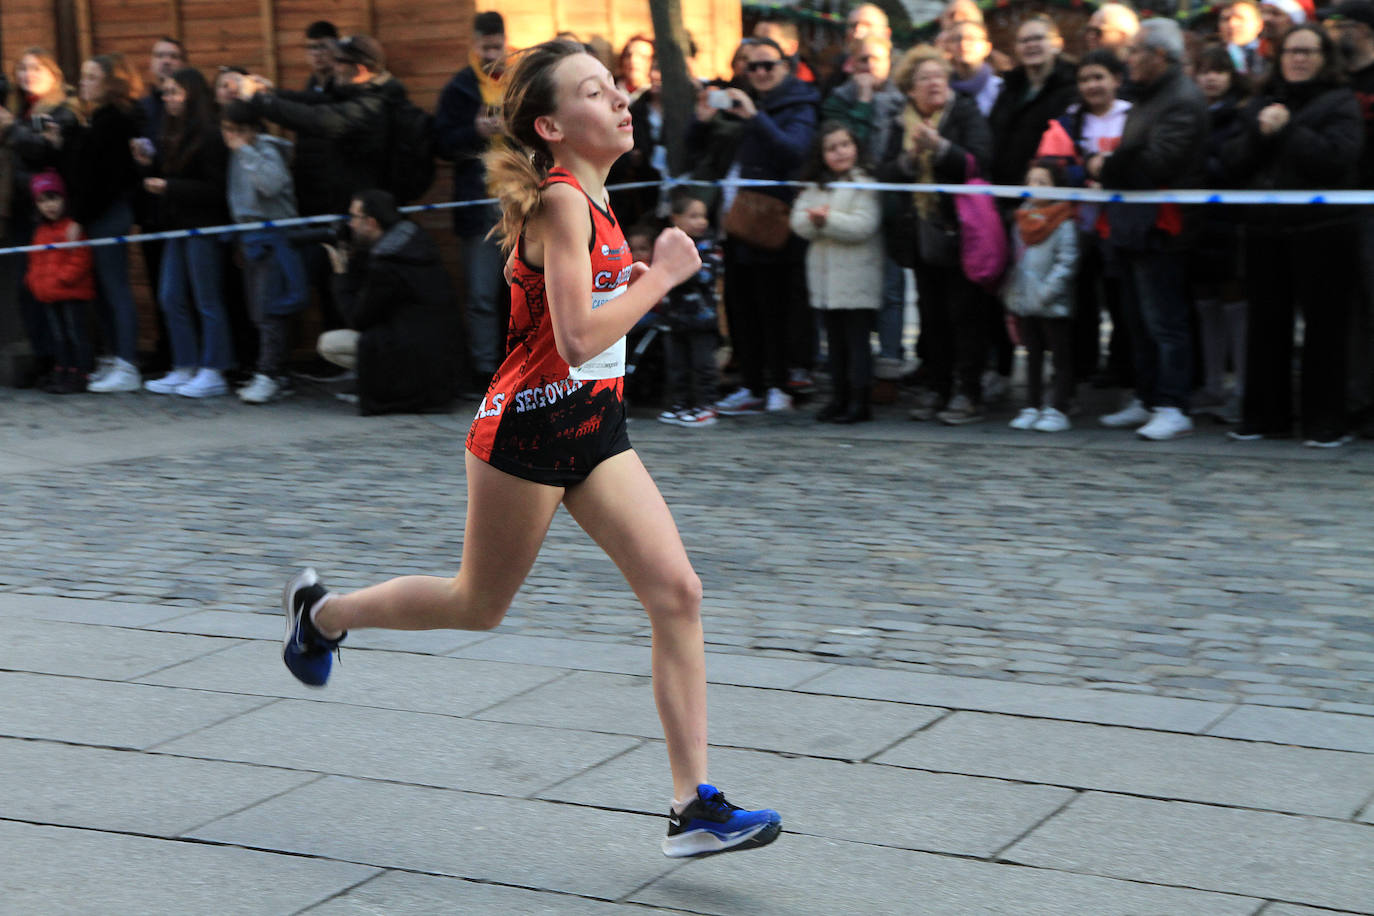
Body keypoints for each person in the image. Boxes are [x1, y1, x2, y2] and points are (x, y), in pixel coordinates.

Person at [279, 40, 782, 859]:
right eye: (596, 91)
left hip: (595, 428)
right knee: (476, 605)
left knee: (678, 594)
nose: (620, 99)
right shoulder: (562, 205)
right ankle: (322, 615)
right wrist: (661, 278)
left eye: (617, 86)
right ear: (551, 125)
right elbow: (579, 337)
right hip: (527, 432)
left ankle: (693, 806)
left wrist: (646, 273)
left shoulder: (597, 196)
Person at [1222, 24, 1362, 446]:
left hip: (1323, 231)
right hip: (1267, 228)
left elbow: (1336, 160)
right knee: (1265, 325)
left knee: (1324, 331)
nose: (1298, 59)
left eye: (1308, 52)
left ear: (1325, 58)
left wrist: (1288, 130)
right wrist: (1260, 133)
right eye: (1291, 52)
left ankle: (1324, 422)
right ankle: (1265, 417)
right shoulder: (1262, 101)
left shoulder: (1340, 102)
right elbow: (1231, 161)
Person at [1089, 19, 1208, 441]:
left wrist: (1107, 164)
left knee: (1165, 320)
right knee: (1137, 319)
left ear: (1160, 55)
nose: (1129, 59)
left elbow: (1156, 163)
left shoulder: (1181, 99)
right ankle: (1147, 395)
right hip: (1134, 226)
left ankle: (1173, 403)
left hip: (1163, 226)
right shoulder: (1147, 96)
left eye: (1136, 50)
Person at [690, 37, 818, 416]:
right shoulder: (735, 100)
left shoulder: (800, 103)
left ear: (786, 66)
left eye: (768, 65)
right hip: (731, 220)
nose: (760, 73)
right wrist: (701, 122)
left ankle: (779, 385)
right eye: (753, 67)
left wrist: (754, 117)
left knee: (773, 307)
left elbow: (794, 151)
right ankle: (751, 384)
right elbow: (697, 150)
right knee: (740, 306)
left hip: (770, 221)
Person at [877, 45, 993, 425]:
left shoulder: (965, 112)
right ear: (909, 88)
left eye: (939, 76)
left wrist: (941, 148)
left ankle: (967, 391)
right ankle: (938, 387)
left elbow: (980, 161)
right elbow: (886, 174)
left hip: (962, 231)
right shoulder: (900, 122)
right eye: (924, 78)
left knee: (965, 314)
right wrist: (910, 159)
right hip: (920, 233)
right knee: (932, 315)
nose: (934, 84)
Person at [315, 189, 464, 415]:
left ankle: (385, 385)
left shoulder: (387, 265)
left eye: (354, 217)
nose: (351, 224)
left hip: (415, 361)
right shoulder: (413, 244)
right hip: (441, 360)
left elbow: (358, 318)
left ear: (371, 222)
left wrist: (341, 275)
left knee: (329, 343)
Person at [1036, 50, 1133, 391]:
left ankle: (1122, 368)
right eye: (1085, 79)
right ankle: (1080, 367)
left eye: (1099, 77)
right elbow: (1051, 166)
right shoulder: (1069, 120)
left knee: (1121, 301)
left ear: (1116, 80)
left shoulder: (1130, 116)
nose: (1092, 86)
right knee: (1081, 300)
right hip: (1077, 224)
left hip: (1120, 225)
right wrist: (1086, 172)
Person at [135, 66, 233, 398]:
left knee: (207, 299)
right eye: (165, 92)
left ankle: (214, 368)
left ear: (191, 94)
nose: (168, 98)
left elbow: (216, 190)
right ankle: (184, 364)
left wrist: (170, 186)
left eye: (174, 92)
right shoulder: (171, 131)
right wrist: (149, 165)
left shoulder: (210, 133)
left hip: (203, 225)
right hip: (176, 225)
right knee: (170, 296)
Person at [820, 35, 908, 382]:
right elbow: (854, 146)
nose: (869, 67)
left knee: (891, 289)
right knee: (848, 293)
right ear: (850, 65)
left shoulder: (903, 102)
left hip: (889, 209)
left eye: (876, 59)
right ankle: (847, 370)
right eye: (862, 60)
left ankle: (889, 364)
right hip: (847, 207)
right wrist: (864, 101)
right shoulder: (838, 100)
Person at [436, 10, 512, 392]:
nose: (493, 54)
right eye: (486, 48)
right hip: (478, 203)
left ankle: (524, 370)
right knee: (482, 293)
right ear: (474, 43)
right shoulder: (459, 88)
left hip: (522, 201)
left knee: (527, 291)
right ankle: (485, 372)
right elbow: (443, 144)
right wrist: (476, 131)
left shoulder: (520, 80)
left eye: (498, 47)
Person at [790, 122, 883, 424]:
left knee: (857, 343)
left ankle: (859, 400)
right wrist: (818, 223)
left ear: (856, 147)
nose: (840, 152)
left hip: (857, 278)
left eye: (845, 144)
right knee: (835, 344)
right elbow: (798, 222)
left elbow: (864, 225)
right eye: (832, 148)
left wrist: (826, 222)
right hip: (825, 279)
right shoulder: (816, 185)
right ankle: (839, 396)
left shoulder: (865, 182)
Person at [8, 48, 84, 388]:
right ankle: (46, 360)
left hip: (53, 214)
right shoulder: (21, 111)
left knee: (61, 291)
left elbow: (44, 154)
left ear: (53, 73)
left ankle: (68, 364)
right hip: (23, 210)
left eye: (35, 67)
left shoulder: (63, 110)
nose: (27, 73)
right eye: (22, 68)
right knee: (32, 289)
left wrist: (10, 130)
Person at [221, 100, 306, 404]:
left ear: (254, 129)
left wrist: (245, 151)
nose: (233, 137)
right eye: (229, 130)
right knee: (258, 310)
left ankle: (270, 373)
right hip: (250, 236)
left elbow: (271, 185)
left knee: (271, 308)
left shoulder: (266, 152)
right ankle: (276, 372)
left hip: (274, 235)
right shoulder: (233, 155)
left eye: (240, 131)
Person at [71, 53, 146, 393]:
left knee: (116, 288)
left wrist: (80, 217)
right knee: (101, 289)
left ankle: (128, 362)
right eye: (83, 76)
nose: (84, 83)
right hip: (97, 214)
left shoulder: (115, 121)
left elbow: (104, 180)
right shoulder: (96, 119)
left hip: (108, 214)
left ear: (111, 83)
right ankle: (114, 356)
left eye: (92, 77)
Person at [1189, 45, 1250, 424]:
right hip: (1196, 222)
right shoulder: (1190, 113)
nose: (1211, 78)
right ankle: (1213, 384)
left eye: (1219, 71)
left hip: (1230, 221)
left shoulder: (1241, 115)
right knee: (1205, 304)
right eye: (1204, 70)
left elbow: (1235, 162)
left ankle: (1242, 388)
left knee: (1235, 303)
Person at [1003, 159, 1079, 433]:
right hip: (1026, 301)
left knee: (1060, 357)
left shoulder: (1063, 222)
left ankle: (1058, 407)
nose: (1034, 187)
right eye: (1030, 181)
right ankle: (1032, 404)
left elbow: (1067, 262)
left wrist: (1047, 292)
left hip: (1052, 302)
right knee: (1032, 355)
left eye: (1042, 182)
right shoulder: (1022, 220)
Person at [1326, 0, 1374, 436]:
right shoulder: (1339, 81)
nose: (1337, 31)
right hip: (1338, 204)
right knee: (1350, 309)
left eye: (1344, 25)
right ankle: (1356, 402)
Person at [654, 192, 722, 428]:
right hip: (673, 318)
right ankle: (679, 404)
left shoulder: (709, 246)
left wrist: (673, 271)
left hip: (702, 320)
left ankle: (706, 405)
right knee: (677, 366)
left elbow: (702, 274)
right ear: (676, 218)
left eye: (703, 216)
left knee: (703, 365)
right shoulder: (667, 243)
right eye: (693, 216)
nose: (701, 221)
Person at [24, 170, 94, 393]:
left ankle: (80, 372)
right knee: (58, 335)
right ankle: (62, 369)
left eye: (53, 199)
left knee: (76, 334)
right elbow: (34, 261)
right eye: (43, 201)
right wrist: (34, 283)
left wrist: (63, 279)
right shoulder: (41, 231)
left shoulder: (72, 228)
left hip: (71, 292)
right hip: (49, 293)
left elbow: (80, 258)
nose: (49, 206)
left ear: (64, 199)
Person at [944, 21, 1004, 117]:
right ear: (948, 48)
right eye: (957, 39)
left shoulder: (1001, 89)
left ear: (987, 47)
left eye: (971, 38)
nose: (963, 44)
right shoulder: (944, 94)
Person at [1221, 0, 1267, 76]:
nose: (1231, 24)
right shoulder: (1210, 56)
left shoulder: (1269, 53)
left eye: (1240, 18)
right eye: (1226, 19)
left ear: (1259, 24)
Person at [303, 20, 339, 93]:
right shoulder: (313, 81)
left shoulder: (343, 82)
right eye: (311, 47)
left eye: (323, 46)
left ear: (336, 48)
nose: (316, 53)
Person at [617, 34, 655, 100]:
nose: (633, 61)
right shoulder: (610, 89)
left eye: (643, 57)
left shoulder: (657, 97)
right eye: (628, 55)